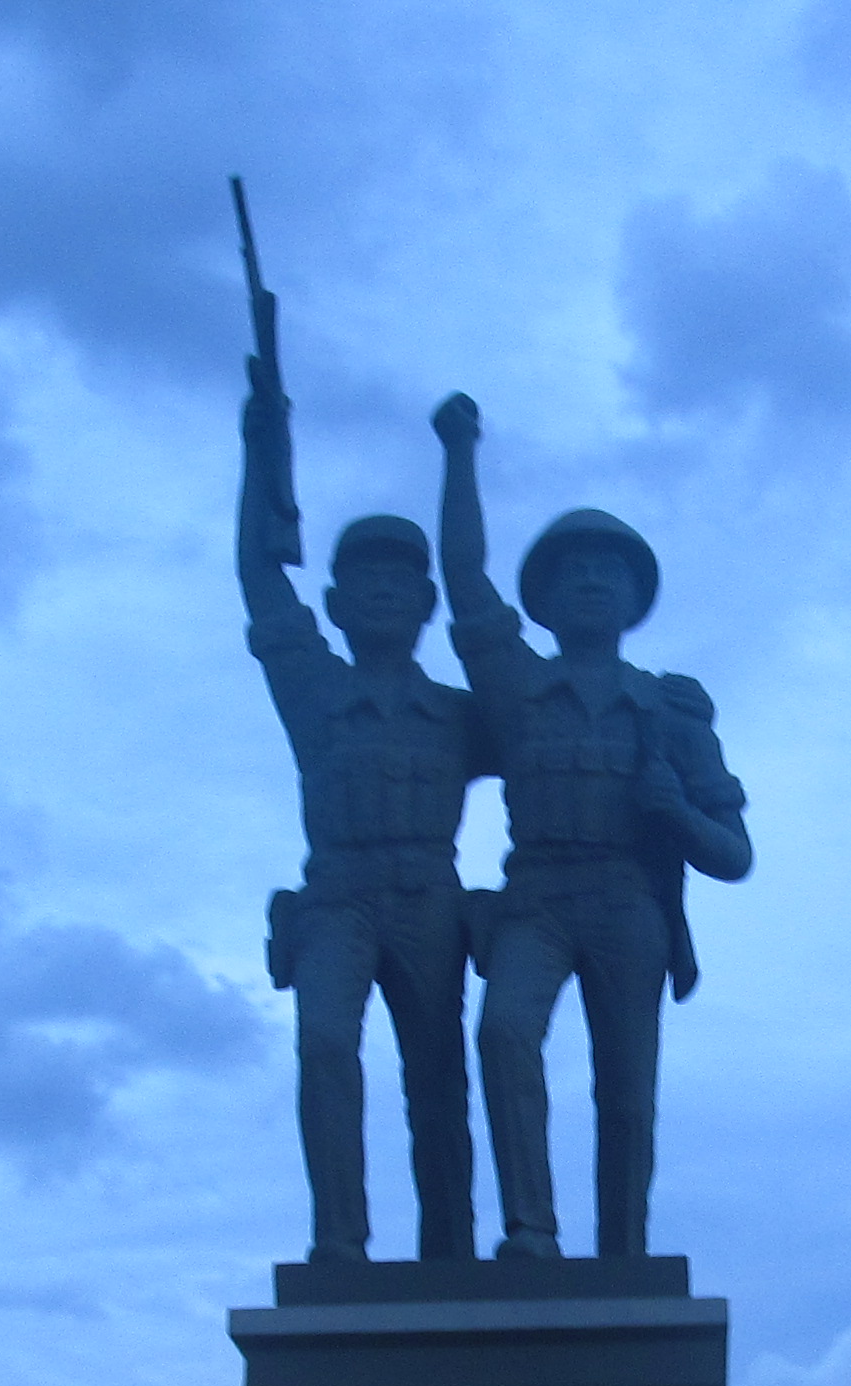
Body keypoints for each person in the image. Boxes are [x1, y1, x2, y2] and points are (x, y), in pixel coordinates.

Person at [431, 392, 751, 1260]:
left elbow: (735, 856)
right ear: (546, 594)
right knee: (503, 1034)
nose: (591, 581)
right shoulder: (516, 686)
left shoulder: (671, 712)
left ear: (635, 594)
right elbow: (462, 577)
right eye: (574, 569)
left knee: (628, 1095)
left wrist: (676, 811)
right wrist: (458, 451)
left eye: (609, 570)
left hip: (627, 904)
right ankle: (531, 1230)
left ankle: (625, 1253)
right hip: (535, 897)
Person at [236, 349, 479, 1262]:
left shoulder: (461, 715)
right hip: (335, 898)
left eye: (400, 585)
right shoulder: (314, 693)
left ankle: (449, 1251)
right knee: (327, 1048)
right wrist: (262, 448)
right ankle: (339, 1241)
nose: (381, 595)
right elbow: (260, 580)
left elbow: (540, 762)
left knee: (438, 1081)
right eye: (362, 585)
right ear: (335, 606)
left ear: (425, 605)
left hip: (430, 901)